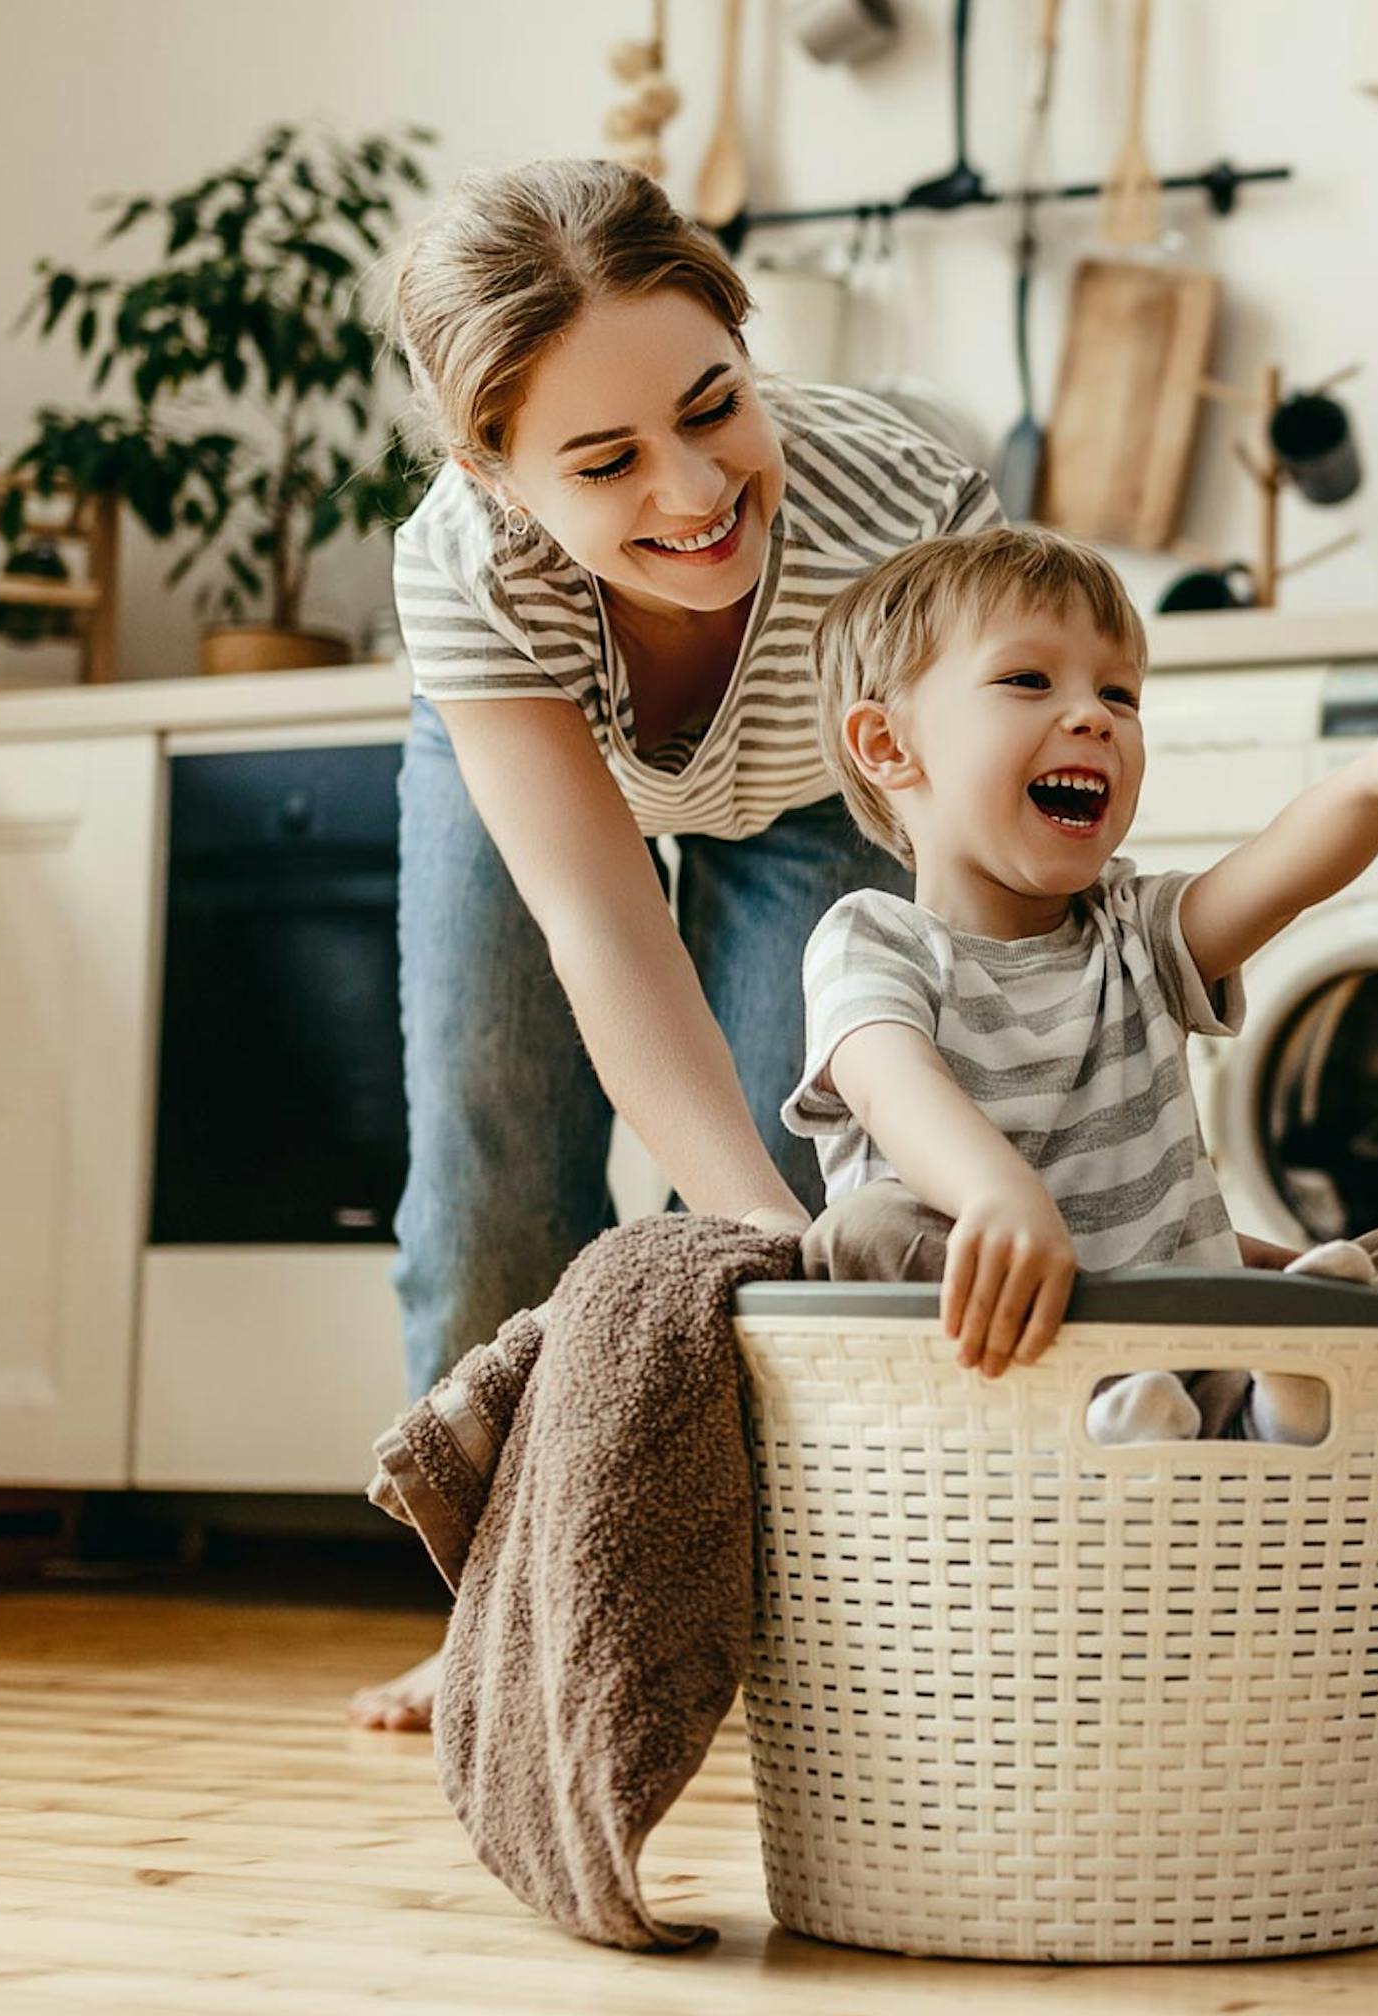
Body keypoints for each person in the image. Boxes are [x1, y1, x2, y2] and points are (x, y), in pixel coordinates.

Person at [350, 159, 991, 1732]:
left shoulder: (908, 508)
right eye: (608, 460)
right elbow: (599, 924)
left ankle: (791, 1629)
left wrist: (811, 1226)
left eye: (715, 406)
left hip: (822, 784)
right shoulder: (466, 568)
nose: (695, 492)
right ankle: (504, 1618)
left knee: (827, 1174)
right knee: (496, 1158)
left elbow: (974, 856)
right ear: (502, 478)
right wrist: (748, 1231)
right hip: (550, 750)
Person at [783, 527, 1378, 1442]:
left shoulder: (1134, 932)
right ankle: (1121, 1416)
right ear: (888, 745)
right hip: (1000, 1364)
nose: (1094, 717)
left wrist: (1377, 787)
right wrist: (1000, 1197)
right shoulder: (872, 940)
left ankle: (1272, 1410)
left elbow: (1276, 871)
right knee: (861, 1234)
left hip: (1190, 1337)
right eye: (1029, 681)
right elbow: (891, 1083)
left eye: (1118, 692)